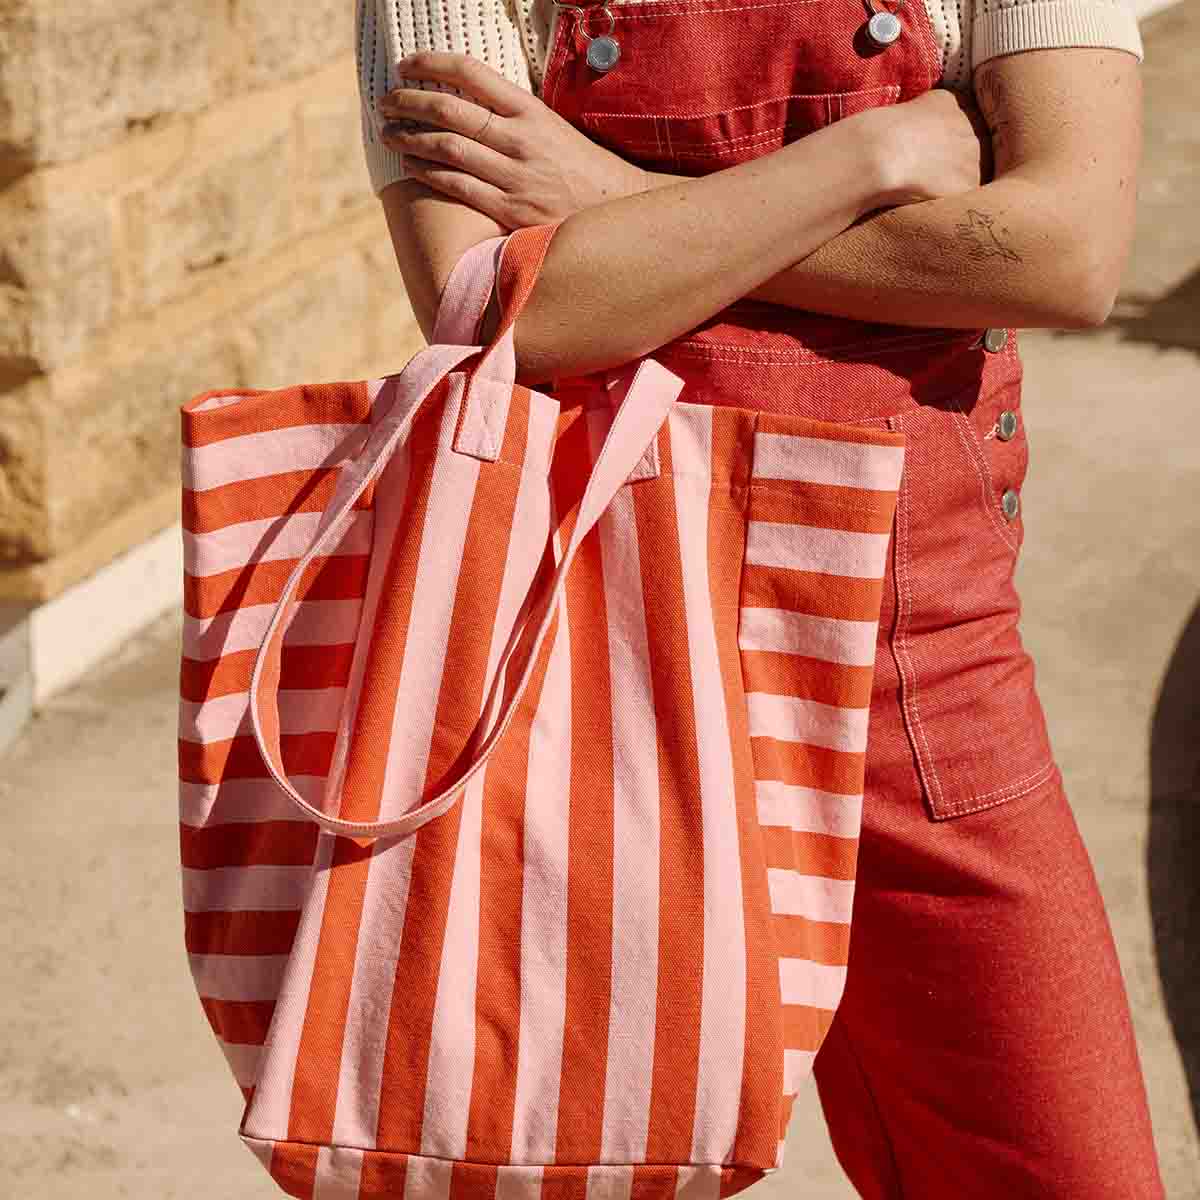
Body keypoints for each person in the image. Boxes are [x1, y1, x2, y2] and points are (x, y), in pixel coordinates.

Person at [352, 0, 1165, 1194]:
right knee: (556, 1154)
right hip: (585, 659)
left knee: (1059, 1163)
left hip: (921, 677)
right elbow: (506, 310)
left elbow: (1065, 251)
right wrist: (867, 163)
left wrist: (613, 203)